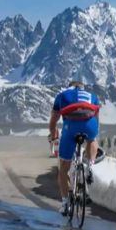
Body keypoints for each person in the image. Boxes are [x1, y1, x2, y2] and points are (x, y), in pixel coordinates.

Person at [48, 81, 101, 216]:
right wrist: (93, 134)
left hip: (70, 127)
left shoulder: (62, 96)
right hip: (90, 125)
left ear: (69, 87)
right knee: (92, 139)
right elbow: (97, 118)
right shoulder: (92, 95)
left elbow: (53, 122)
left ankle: (65, 203)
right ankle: (90, 165)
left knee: (63, 168)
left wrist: (54, 136)